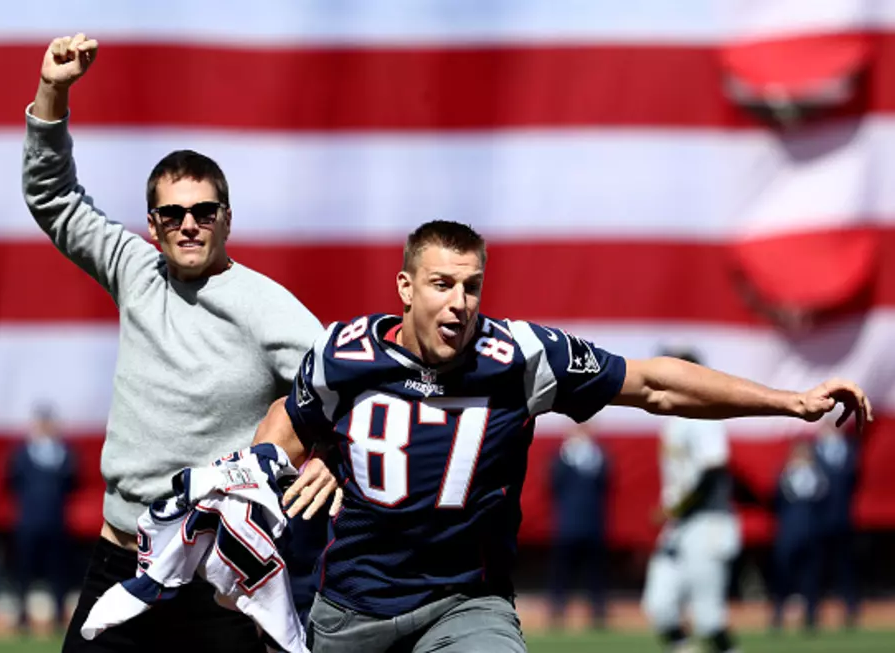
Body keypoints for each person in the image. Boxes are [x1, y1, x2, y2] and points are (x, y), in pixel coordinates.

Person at [254, 220, 872, 653]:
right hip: (353, 606)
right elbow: (291, 420)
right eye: (442, 284)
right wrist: (271, 477)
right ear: (406, 287)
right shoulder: (343, 353)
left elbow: (655, 385)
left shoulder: (521, 355)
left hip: (464, 601)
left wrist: (789, 401)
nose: (459, 303)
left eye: (472, 286)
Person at [23, 34, 333, 652]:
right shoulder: (135, 272)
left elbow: (347, 377)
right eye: (171, 213)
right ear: (153, 225)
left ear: (226, 218)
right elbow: (52, 197)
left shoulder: (268, 306)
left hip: (219, 577)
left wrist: (330, 456)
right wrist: (53, 90)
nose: (187, 223)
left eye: (203, 210)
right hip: (122, 563)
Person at [641, 348, 742, 653]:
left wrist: (678, 507)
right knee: (659, 606)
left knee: (709, 618)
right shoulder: (675, 417)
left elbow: (714, 472)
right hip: (680, 523)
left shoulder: (704, 414)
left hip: (707, 521)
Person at [7, 404, 77, 633]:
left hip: (56, 521)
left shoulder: (64, 452)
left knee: (58, 572)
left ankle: (58, 616)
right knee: (24, 571)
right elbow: (11, 481)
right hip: (28, 522)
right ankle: (22, 616)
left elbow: (74, 482)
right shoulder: (22, 453)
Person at [547, 426, 609, 630]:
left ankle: (598, 612)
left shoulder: (598, 457)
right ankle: (557, 610)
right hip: (567, 525)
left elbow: (606, 484)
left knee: (595, 573)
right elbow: (553, 485)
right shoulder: (561, 458)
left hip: (593, 524)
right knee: (562, 572)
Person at [770, 439, 828, 631]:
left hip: (811, 534)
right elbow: (775, 500)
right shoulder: (785, 476)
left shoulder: (819, 477)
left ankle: (811, 616)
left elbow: (824, 501)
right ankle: (778, 615)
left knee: (810, 577)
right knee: (783, 576)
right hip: (788, 535)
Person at [812, 424, 860, 629]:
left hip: (843, 519)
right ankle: (812, 611)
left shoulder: (851, 449)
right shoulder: (814, 451)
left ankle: (850, 608)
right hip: (818, 521)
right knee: (817, 567)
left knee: (845, 567)